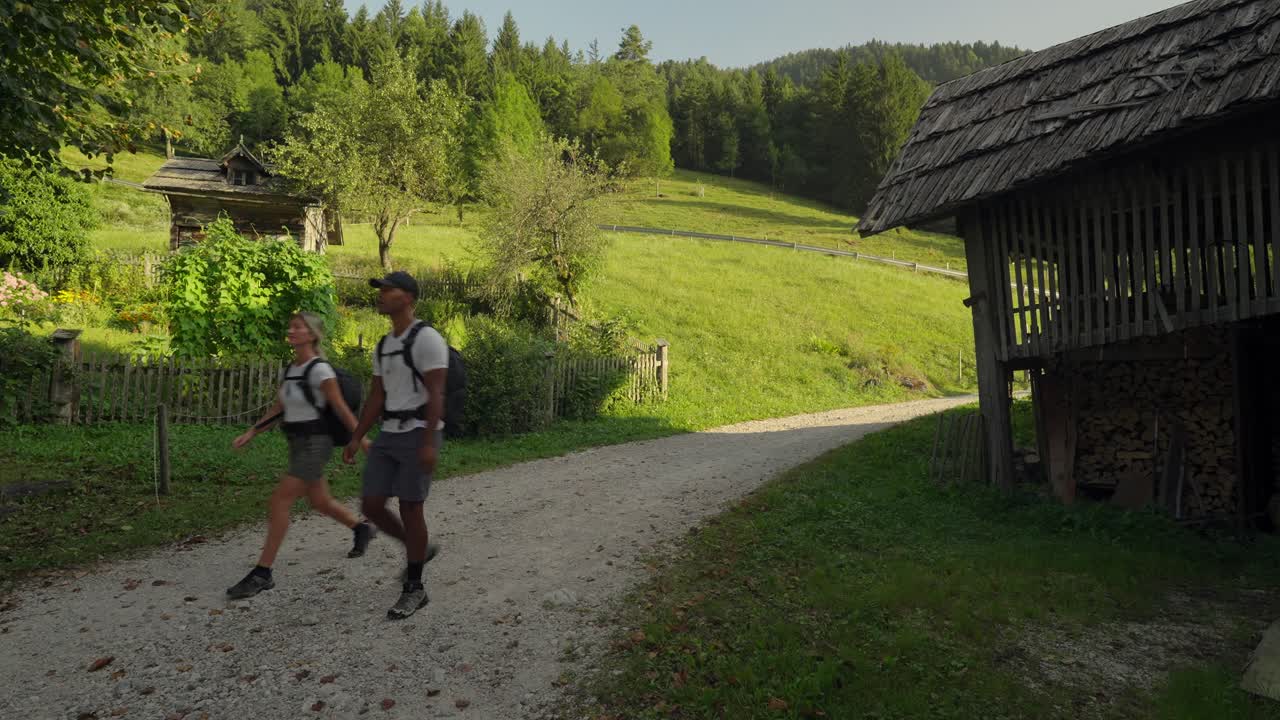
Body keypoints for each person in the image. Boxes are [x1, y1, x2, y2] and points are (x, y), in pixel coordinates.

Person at [226, 312, 375, 599]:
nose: (291, 330)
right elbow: (279, 407)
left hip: (315, 444)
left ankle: (262, 572)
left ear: (312, 335)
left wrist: (361, 441)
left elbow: (343, 410)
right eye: (291, 325)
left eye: (298, 327)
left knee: (280, 500)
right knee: (320, 501)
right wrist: (253, 432)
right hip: (296, 442)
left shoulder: (321, 371)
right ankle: (361, 529)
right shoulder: (291, 369)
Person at [343, 271, 448, 620]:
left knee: (410, 507)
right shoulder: (384, 345)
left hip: (420, 430)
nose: (381, 295)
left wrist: (430, 441)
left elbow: (436, 391)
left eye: (388, 290)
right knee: (372, 505)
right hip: (390, 432)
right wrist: (357, 435)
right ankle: (418, 546)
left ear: (408, 297)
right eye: (381, 290)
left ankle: (414, 588)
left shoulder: (428, 339)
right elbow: (377, 395)